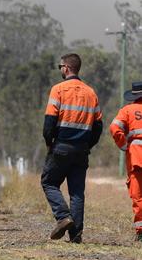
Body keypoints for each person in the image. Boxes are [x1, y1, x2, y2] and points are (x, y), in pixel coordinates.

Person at [42, 53, 102, 244]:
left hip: (61, 147)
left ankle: (62, 217)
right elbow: (98, 126)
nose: (60, 69)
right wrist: (87, 145)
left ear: (66, 68)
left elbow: (49, 122)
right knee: (76, 193)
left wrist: (49, 142)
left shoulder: (58, 89)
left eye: (60, 66)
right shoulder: (91, 92)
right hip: (81, 150)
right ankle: (76, 235)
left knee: (49, 182)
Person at [109, 81, 142, 242]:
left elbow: (114, 128)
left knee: (138, 196)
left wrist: (124, 145)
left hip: (137, 158)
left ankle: (141, 232)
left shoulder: (127, 110)